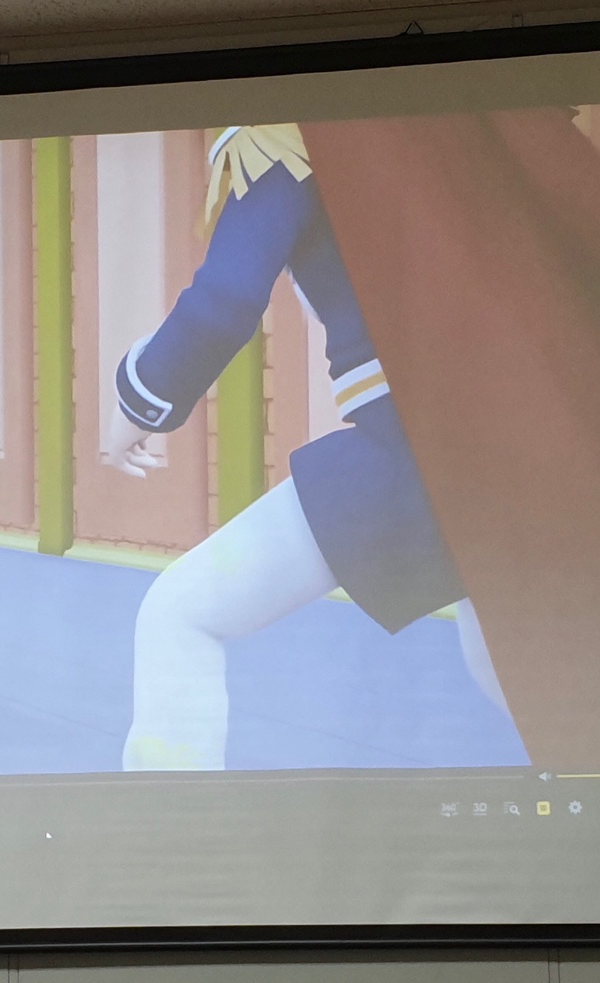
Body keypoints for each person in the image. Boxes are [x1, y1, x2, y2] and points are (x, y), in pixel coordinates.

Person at [106, 125, 510, 771]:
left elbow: (225, 299)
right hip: (537, 435)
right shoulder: (468, 124)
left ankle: (171, 833)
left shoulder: (283, 131)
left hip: (420, 450)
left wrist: (138, 399)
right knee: (510, 665)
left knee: (176, 614)